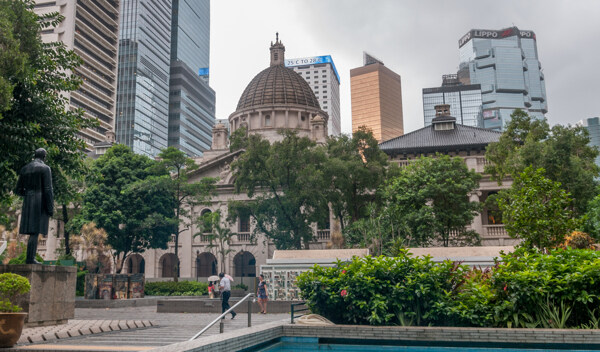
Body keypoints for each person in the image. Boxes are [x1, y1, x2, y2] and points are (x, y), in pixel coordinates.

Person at [15, 148, 54, 264]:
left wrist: (28, 194)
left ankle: (30, 258)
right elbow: (48, 189)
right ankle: (30, 258)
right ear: (44, 156)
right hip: (39, 200)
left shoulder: (24, 169)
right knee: (35, 231)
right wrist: (50, 207)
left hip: (28, 200)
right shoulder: (45, 168)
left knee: (32, 231)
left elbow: (18, 190)